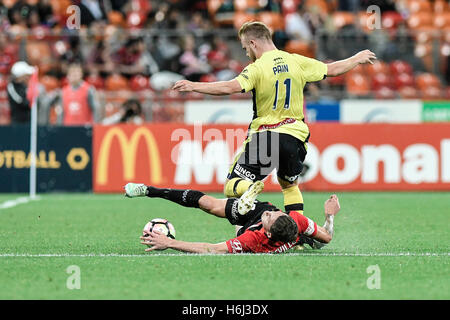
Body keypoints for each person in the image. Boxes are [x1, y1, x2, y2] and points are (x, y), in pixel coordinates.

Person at [172, 21, 376, 219]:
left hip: (266, 136)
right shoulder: (296, 60)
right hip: (295, 136)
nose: (246, 53)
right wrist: (356, 58)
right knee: (289, 186)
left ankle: (250, 187)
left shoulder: (257, 68)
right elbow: (331, 69)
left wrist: (194, 86)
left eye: (245, 48)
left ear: (253, 43)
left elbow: (231, 87)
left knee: (232, 185)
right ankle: (297, 234)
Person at [124, 181, 340, 254]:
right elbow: (327, 238)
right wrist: (329, 217)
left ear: (269, 231)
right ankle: (148, 190)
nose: (271, 212)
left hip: (249, 229)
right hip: (255, 215)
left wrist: (170, 243)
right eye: (276, 212)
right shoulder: (294, 219)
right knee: (207, 203)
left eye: (270, 217)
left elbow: (210, 249)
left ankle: (241, 205)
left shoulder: (254, 241)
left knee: (238, 229)